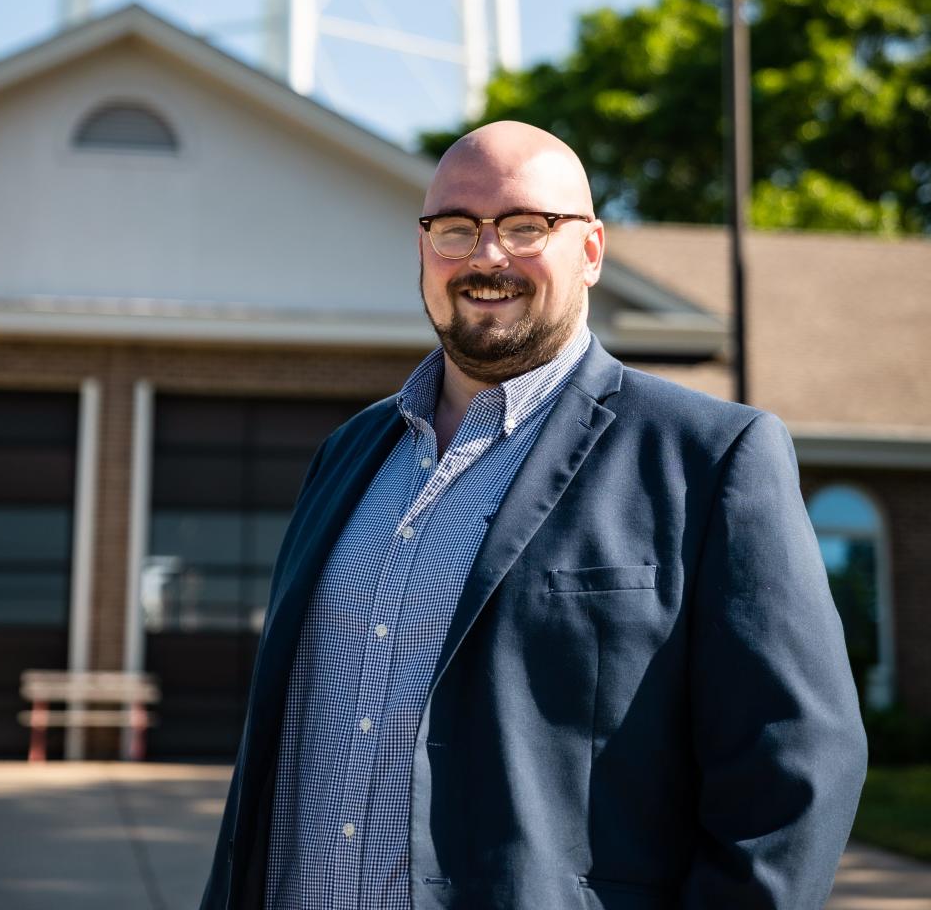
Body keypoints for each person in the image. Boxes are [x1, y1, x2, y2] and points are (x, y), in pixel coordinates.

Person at [200, 121, 867, 910]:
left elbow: (797, 764)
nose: (486, 257)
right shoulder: (346, 456)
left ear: (590, 252)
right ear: (423, 251)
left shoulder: (710, 459)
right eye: (456, 229)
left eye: (526, 227)